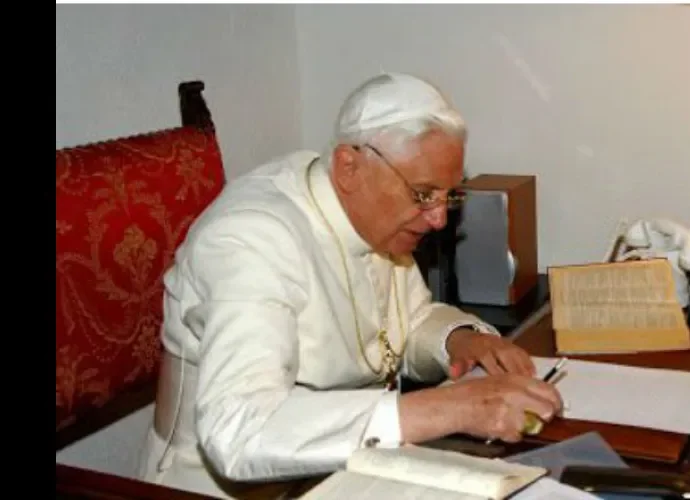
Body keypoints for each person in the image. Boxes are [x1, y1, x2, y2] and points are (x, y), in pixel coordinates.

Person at [137, 72, 563, 498]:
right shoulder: (250, 238)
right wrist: (446, 409)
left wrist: (458, 340)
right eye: (423, 194)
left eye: (448, 197)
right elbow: (239, 427)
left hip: (347, 471)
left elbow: (398, 328)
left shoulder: (374, 218)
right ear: (349, 167)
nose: (439, 220)